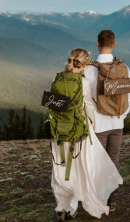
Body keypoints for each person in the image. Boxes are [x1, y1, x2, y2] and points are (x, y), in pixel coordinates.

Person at [51, 48, 123, 221]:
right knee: (77, 170)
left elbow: (52, 104)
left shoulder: (56, 78)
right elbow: (89, 107)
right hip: (78, 133)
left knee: (60, 169)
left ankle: (62, 207)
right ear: (84, 66)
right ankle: (72, 207)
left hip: (59, 132)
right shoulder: (82, 83)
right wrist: (93, 123)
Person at [84, 30, 130, 211]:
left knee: (97, 162)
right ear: (114, 44)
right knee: (113, 160)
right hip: (117, 124)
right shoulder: (124, 68)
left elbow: (85, 99)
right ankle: (112, 200)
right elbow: (129, 97)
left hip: (97, 125)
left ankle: (99, 199)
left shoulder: (89, 69)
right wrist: (121, 115)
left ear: (97, 44)